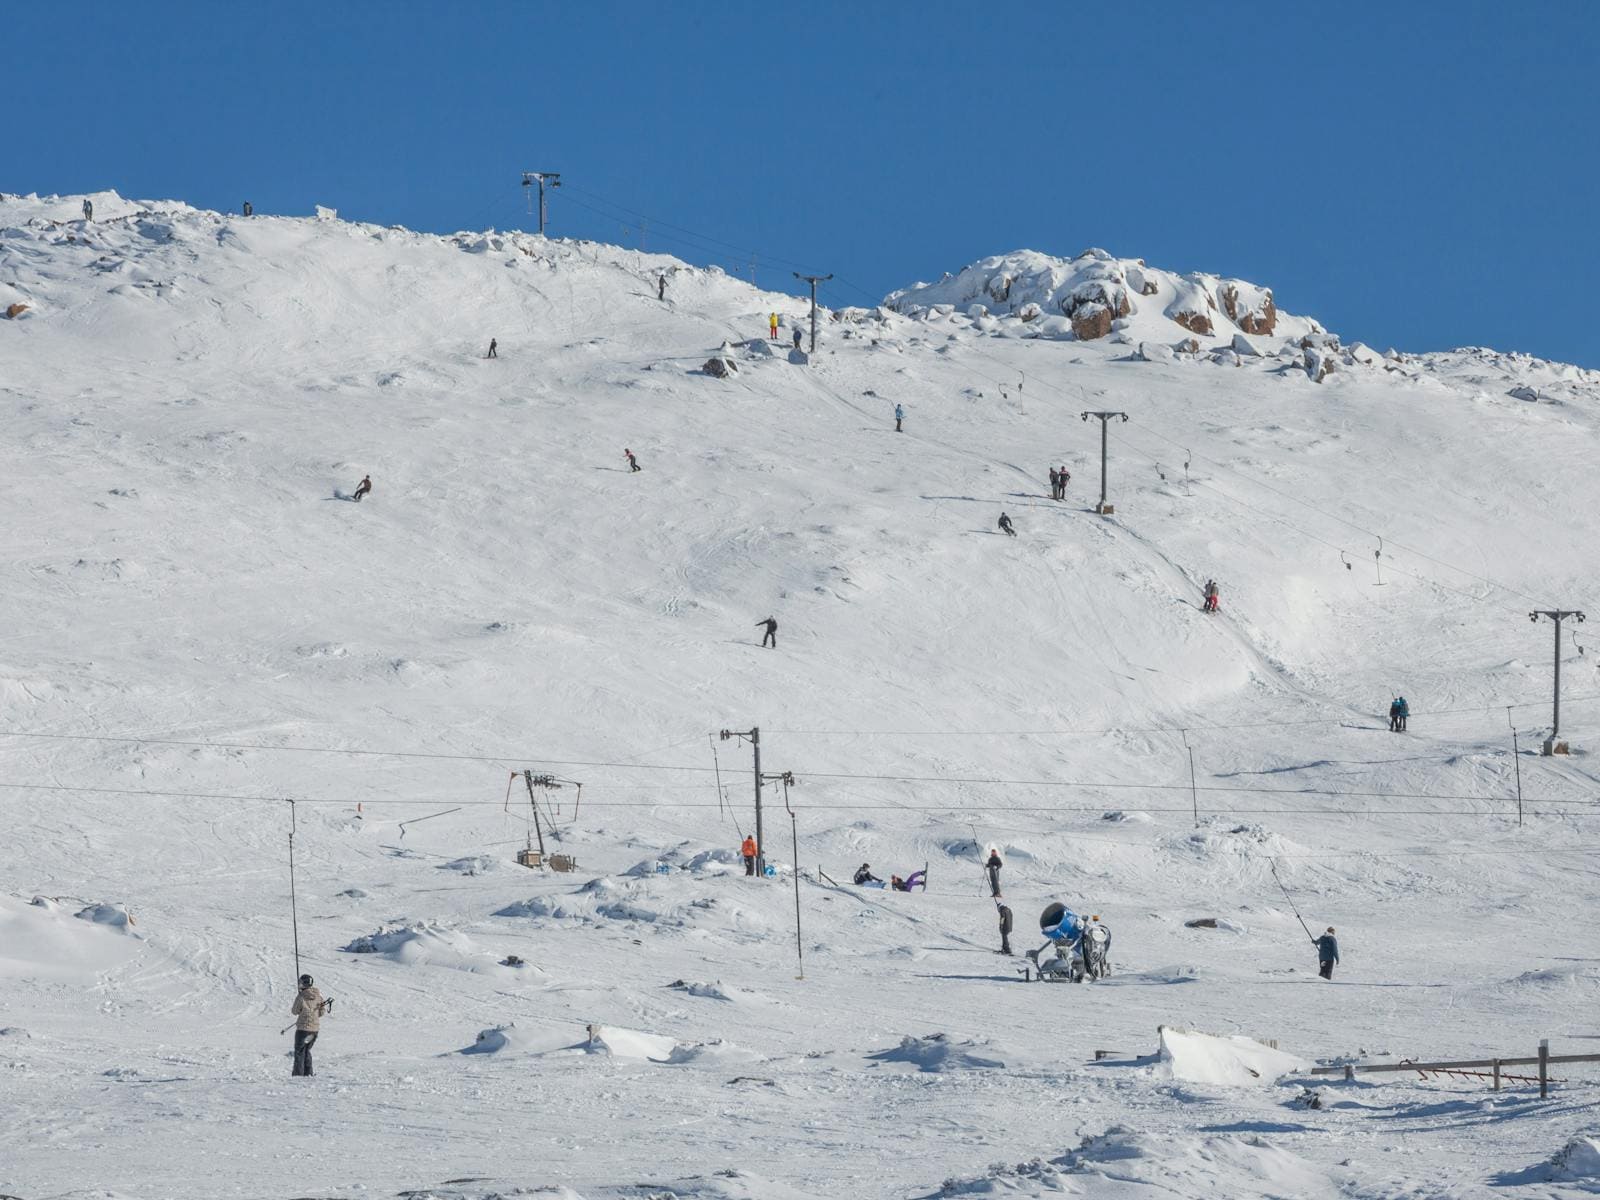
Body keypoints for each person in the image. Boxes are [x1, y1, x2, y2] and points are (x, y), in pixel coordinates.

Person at [291, 974, 328, 1077]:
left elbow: (294, 1011)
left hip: (303, 1030)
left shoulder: (301, 996)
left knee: (299, 1052)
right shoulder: (318, 996)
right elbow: (321, 1012)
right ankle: (308, 1073)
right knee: (307, 1050)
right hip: (314, 1030)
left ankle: (298, 1075)